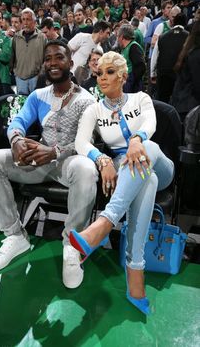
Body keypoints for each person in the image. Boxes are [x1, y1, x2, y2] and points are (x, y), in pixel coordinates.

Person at [0, 40, 97, 290]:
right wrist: (17, 140)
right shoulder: (37, 95)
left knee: (87, 169)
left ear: (71, 63)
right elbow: (18, 121)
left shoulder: (86, 100)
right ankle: (15, 236)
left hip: (68, 163)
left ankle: (72, 248)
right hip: (38, 162)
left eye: (59, 57)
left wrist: (55, 151)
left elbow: (86, 143)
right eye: (48, 58)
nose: (53, 63)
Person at [69, 51, 174, 315]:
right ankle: (135, 273)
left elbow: (150, 122)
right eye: (99, 73)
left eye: (110, 72)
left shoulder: (141, 98)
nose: (102, 78)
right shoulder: (94, 108)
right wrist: (102, 159)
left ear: (124, 76)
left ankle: (104, 223)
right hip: (130, 169)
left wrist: (137, 139)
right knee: (146, 179)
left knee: (146, 152)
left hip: (158, 159)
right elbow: (81, 142)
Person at [11, 8, 46, 95]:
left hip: (36, 78)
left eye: (28, 19)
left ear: (34, 21)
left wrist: (40, 74)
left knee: (36, 105)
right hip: (20, 78)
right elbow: (13, 55)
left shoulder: (42, 37)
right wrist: (15, 72)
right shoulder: (16, 37)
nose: (25, 22)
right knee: (22, 105)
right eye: (23, 19)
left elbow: (46, 58)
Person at [117, 24, 146, 93]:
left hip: (133, 85)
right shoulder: (124, 48)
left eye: (117, 37)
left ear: (121, 37)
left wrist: (132, 83)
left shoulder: (134, 47)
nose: (117, 39)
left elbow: (141, 67)